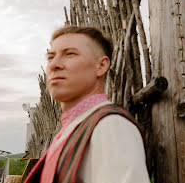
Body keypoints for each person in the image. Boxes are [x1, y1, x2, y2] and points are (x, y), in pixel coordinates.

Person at [25, 26, 150, 183]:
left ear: (101, 66)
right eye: (50, 57)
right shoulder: (70, 131)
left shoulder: (110, 126)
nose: (53, 65)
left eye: (70, 54)